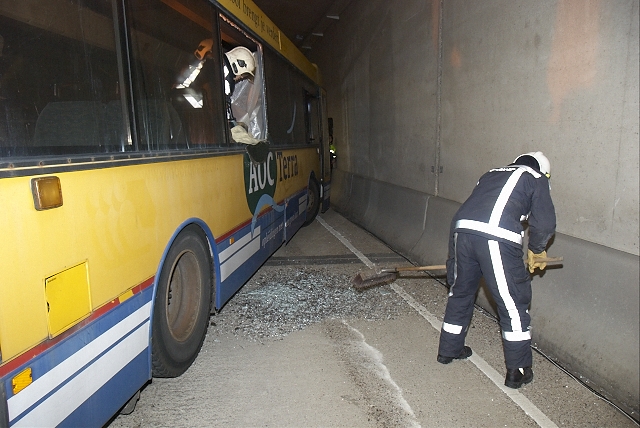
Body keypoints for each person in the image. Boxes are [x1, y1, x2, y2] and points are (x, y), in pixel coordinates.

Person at [436, 151, 556, 389]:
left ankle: (449, 350)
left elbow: (469, 211)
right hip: (496, 237)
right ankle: (518, 370)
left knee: (460, 294)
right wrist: (537, 249)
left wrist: (453, 265)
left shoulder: (491, 174)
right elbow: (544, 222)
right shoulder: (535, 177)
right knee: (512, 302)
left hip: (462, 232)